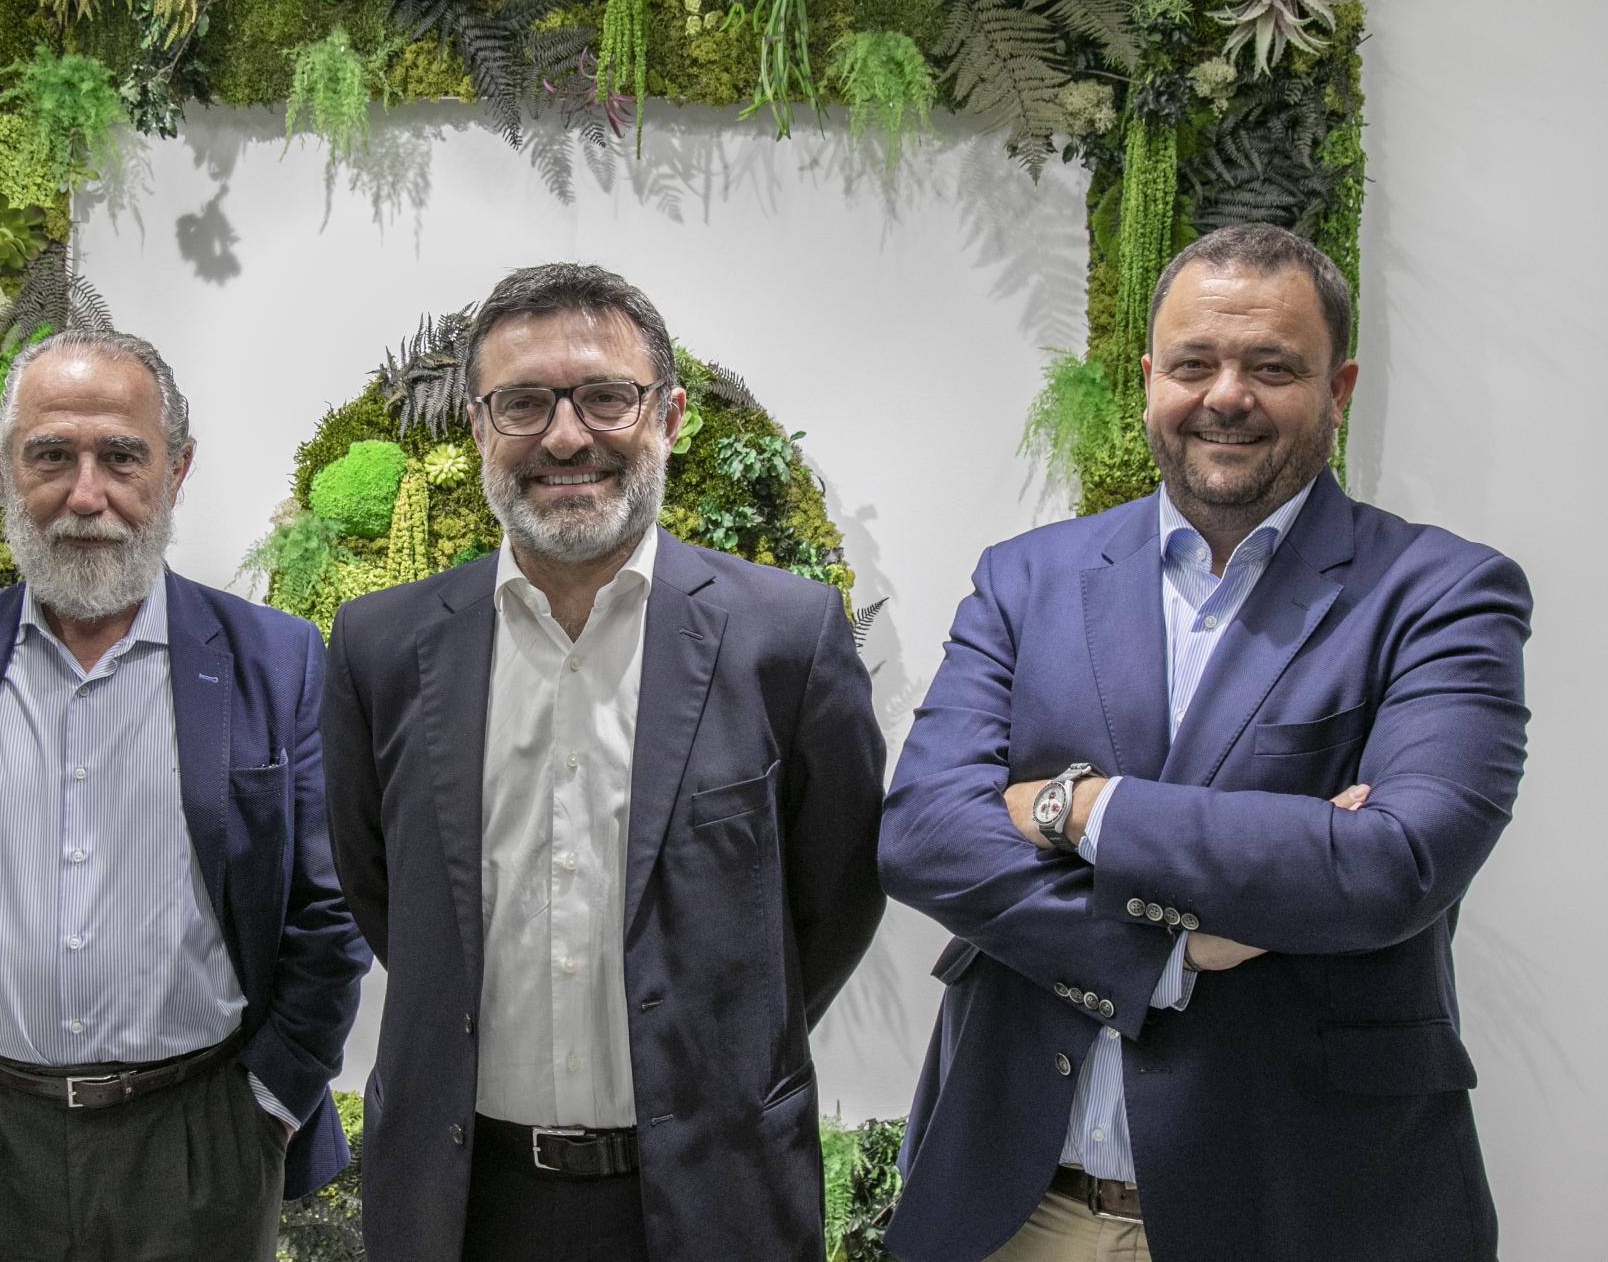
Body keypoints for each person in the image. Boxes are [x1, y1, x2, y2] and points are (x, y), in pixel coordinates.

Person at [878, 223, 1531, 1262]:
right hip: (1019, 1208)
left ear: (1338, 388)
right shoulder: (1026, 578)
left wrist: (1077, 807)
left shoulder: (1441, 594)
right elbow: (922, 836)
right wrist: (1166, 951)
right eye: (1194, 364)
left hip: (1310, 1212)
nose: (1226, 395)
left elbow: (1394, 863)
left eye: (1272, 367)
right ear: (1150, 380)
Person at [323, 262, 886, 1260]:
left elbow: (835, 895)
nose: (565, 436)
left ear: (668, 415)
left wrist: (716, 1047)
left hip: (714, 1195)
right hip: (462, 1204)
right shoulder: (381, 646)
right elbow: (383, 892)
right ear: (477, 426)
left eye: (605, 397)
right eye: (523, 403)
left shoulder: (786, 638)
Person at [0, 330, 369, 1259]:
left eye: (122, 456)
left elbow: (331, 906)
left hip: (200, 1143)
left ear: (176, 470)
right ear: (2, 472)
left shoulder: (278, 660)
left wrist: (269, 1102)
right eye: (52, 455)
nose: (87, 493)